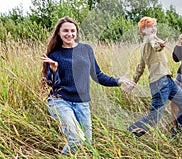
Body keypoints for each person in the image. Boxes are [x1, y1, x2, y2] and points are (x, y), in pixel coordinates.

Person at [40, 16, 135, 154]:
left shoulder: (86, 50)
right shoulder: (55, 55)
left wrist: (118, 81)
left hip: (82, 103)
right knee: (76, 139)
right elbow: (51, 84)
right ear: (59, 33)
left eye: (73, 31)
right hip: (60, 101)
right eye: (65, 31)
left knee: (86, 144)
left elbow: (98, 76)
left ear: (77, 32)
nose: (69, 34)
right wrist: (54, 70)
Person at [124, 16, 182, 137]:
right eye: (150, 26)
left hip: (167, 81)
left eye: (155, 25)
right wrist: (161, 45)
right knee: (154, 118)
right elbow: (155, 46)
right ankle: (131, 132)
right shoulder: (151, 38)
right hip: (160, 83)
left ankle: (176, 135)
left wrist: (133, 84)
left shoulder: (143, 47)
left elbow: (140, 67)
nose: (154, 28)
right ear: (143, 31)